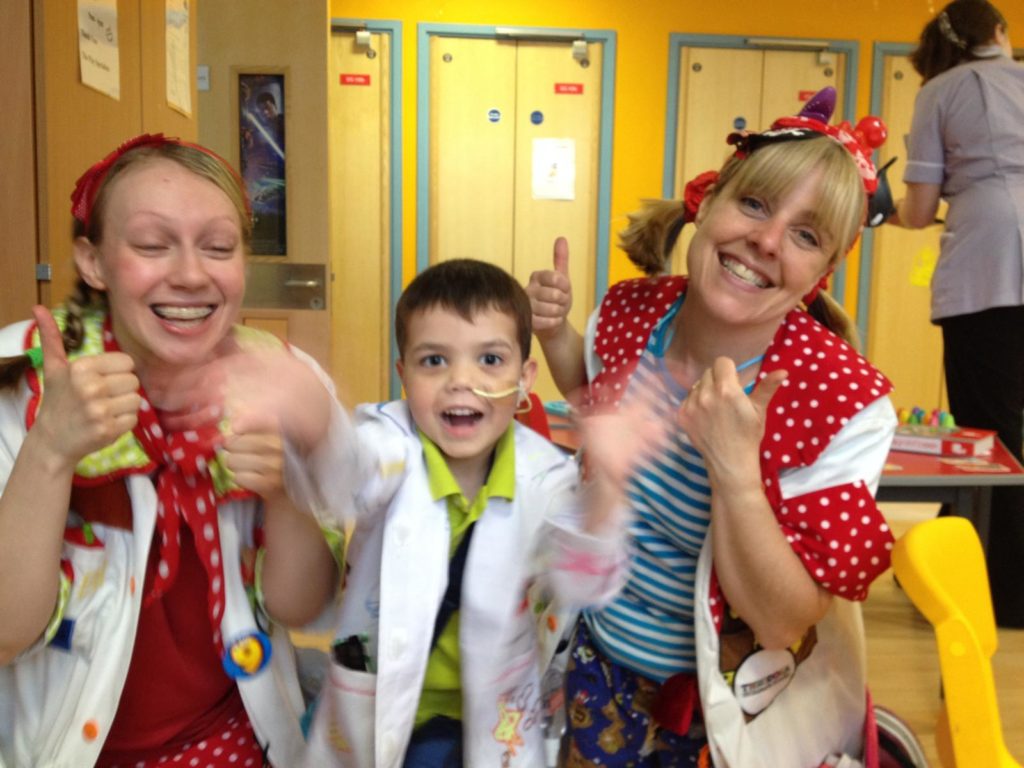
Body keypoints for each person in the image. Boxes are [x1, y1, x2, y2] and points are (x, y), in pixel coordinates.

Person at [526, 88, 899, 766]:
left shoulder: (843, 404)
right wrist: (556, 334)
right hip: (594, 667)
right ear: (707, 199)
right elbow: (595, 395)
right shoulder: (633, 313)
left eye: (806, 235)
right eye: (754, 203)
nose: (766, 240)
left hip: (725, 713)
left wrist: (735, 471)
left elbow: (781, 622)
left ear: (822, 272)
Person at [0, 134, 340, 767]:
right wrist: (49, 452)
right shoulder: (21, 387)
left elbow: (304, 607)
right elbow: (4, 634)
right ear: (93, 262)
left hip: (234, 739)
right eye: (153, 245)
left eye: (219, 247)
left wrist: (283, 493)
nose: (190, 274)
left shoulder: (280, 383)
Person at [302, 258, 646, 768]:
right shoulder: (389, 441)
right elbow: (348, 472)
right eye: (434, 361)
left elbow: (582, 584)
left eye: (489, 359)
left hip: (492, 720)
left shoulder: (546, 478)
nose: (461, 381)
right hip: (377, 708)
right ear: (403, 375)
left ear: (525, 379)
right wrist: (308, 420)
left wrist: (609, 490)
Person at [888, 0, 1024, 629]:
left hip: (986, 266)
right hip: (996, 255)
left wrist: (878, 209)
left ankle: (1001, 590)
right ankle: (955, 558)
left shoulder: (939, 92)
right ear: (998, 32)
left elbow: (918, 210)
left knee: (989, 437)